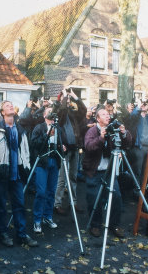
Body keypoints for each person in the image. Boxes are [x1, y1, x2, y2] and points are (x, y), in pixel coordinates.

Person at [0, 100, 38, 247]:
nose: (10, 106)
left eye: (11, 105)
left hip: (17, 175)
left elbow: (26, 152)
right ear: (2, 112)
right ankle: (3, 233)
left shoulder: (20, 130)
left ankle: (21, 234)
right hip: (3, 175)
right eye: (6, 105)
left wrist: (26, 167)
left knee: (20, 205)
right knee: (1, 205)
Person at [83, 108, 132, 238]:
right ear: (98, 119)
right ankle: (95, 225)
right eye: (103, 114)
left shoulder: (113, 130)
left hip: (109, 171)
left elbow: (127, 144)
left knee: (116, 197)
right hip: (95, 171)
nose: (107, 116)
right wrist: (101, 138)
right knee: (94, 199)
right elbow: (89, 147)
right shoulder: (92, 131)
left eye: (108, 114)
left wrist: (124, 133)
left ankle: (114, 225)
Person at [31, 107, 66, 233]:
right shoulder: (39, 127)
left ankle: (48, 216)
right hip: (42, 162)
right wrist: (46, 135)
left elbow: (61, 143)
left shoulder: (58, 128)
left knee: (51, 191)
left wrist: (62, 147)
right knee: (41, 191)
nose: (52, 114)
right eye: (49, 112)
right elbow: (33, 144)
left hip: (54, 162)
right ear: (44, 115)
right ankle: (37, 220)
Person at [54, 87, 87, 215]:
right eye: (66, 100)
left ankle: (73, 202)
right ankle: (57, 204)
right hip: (64, 149)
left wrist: (74, 95)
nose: (68, 102)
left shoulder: (73, 114)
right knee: (62, 178)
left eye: (69, 100)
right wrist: (63, 97)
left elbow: (83, 110)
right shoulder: (59, 113)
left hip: (74, 148)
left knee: (73, 177)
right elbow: (62, 111)